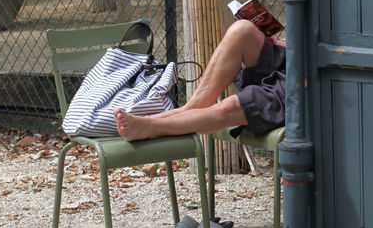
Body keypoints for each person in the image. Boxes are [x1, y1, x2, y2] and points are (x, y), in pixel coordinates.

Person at [113, 19, 285, 142]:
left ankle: (152, 126)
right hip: (292, 57)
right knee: (241, 30)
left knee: (230, 106)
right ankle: (189, 109)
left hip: (303, 81)